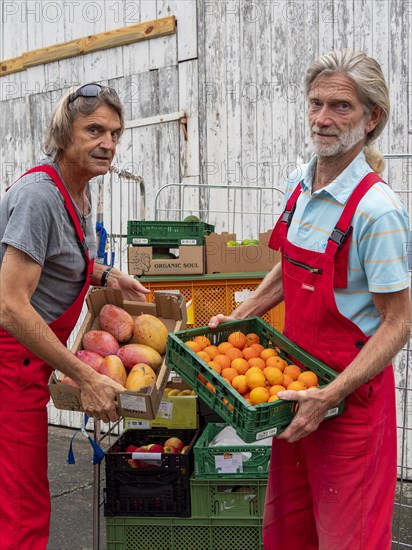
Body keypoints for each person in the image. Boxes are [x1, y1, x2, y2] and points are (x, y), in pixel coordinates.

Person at [209, 49, 411, 549]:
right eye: (316, 103)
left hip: (348, 410)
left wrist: (332, 393)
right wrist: (241, 313)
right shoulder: (300, 186)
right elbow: (292, 267)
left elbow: (399, 322)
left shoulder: (377, 210)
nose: (323, 119)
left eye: (341, 107)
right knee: (291, 535)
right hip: (292, 396)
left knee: (349, 538)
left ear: (372, 119)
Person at [0, 83, 150, 550]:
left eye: (115, 133)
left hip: (32, 361)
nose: (108, 143)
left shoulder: (77, 193)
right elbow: (10, 305)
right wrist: (85, 375)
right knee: (22, 504)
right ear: (65, 134)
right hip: (10, 364)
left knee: (20, 493)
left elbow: (56, 260)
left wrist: (105, 275)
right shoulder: (39, 197)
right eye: (94, 130)